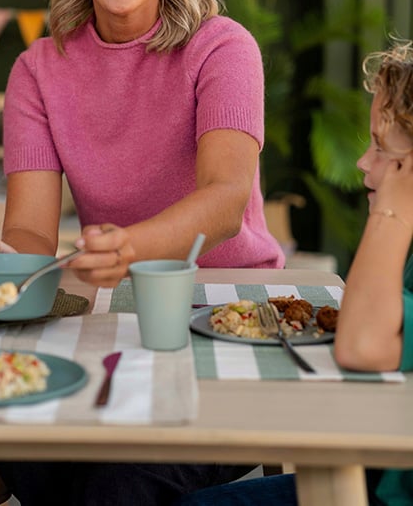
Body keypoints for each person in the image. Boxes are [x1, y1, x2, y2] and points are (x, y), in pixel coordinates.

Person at [0, 0, 283, 505]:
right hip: (112, 325)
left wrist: (130, 246)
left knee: (119, 485)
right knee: (35, 463)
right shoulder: (38, 70)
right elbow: (35, 235)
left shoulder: (223, 49)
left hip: (226, 318)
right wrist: (4, 268)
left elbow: (223, 198)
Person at [172, 37, 413, 506]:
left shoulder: (398, 224)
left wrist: (392, 211)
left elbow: (362, 344)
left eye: (383, 150)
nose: (363, 163)